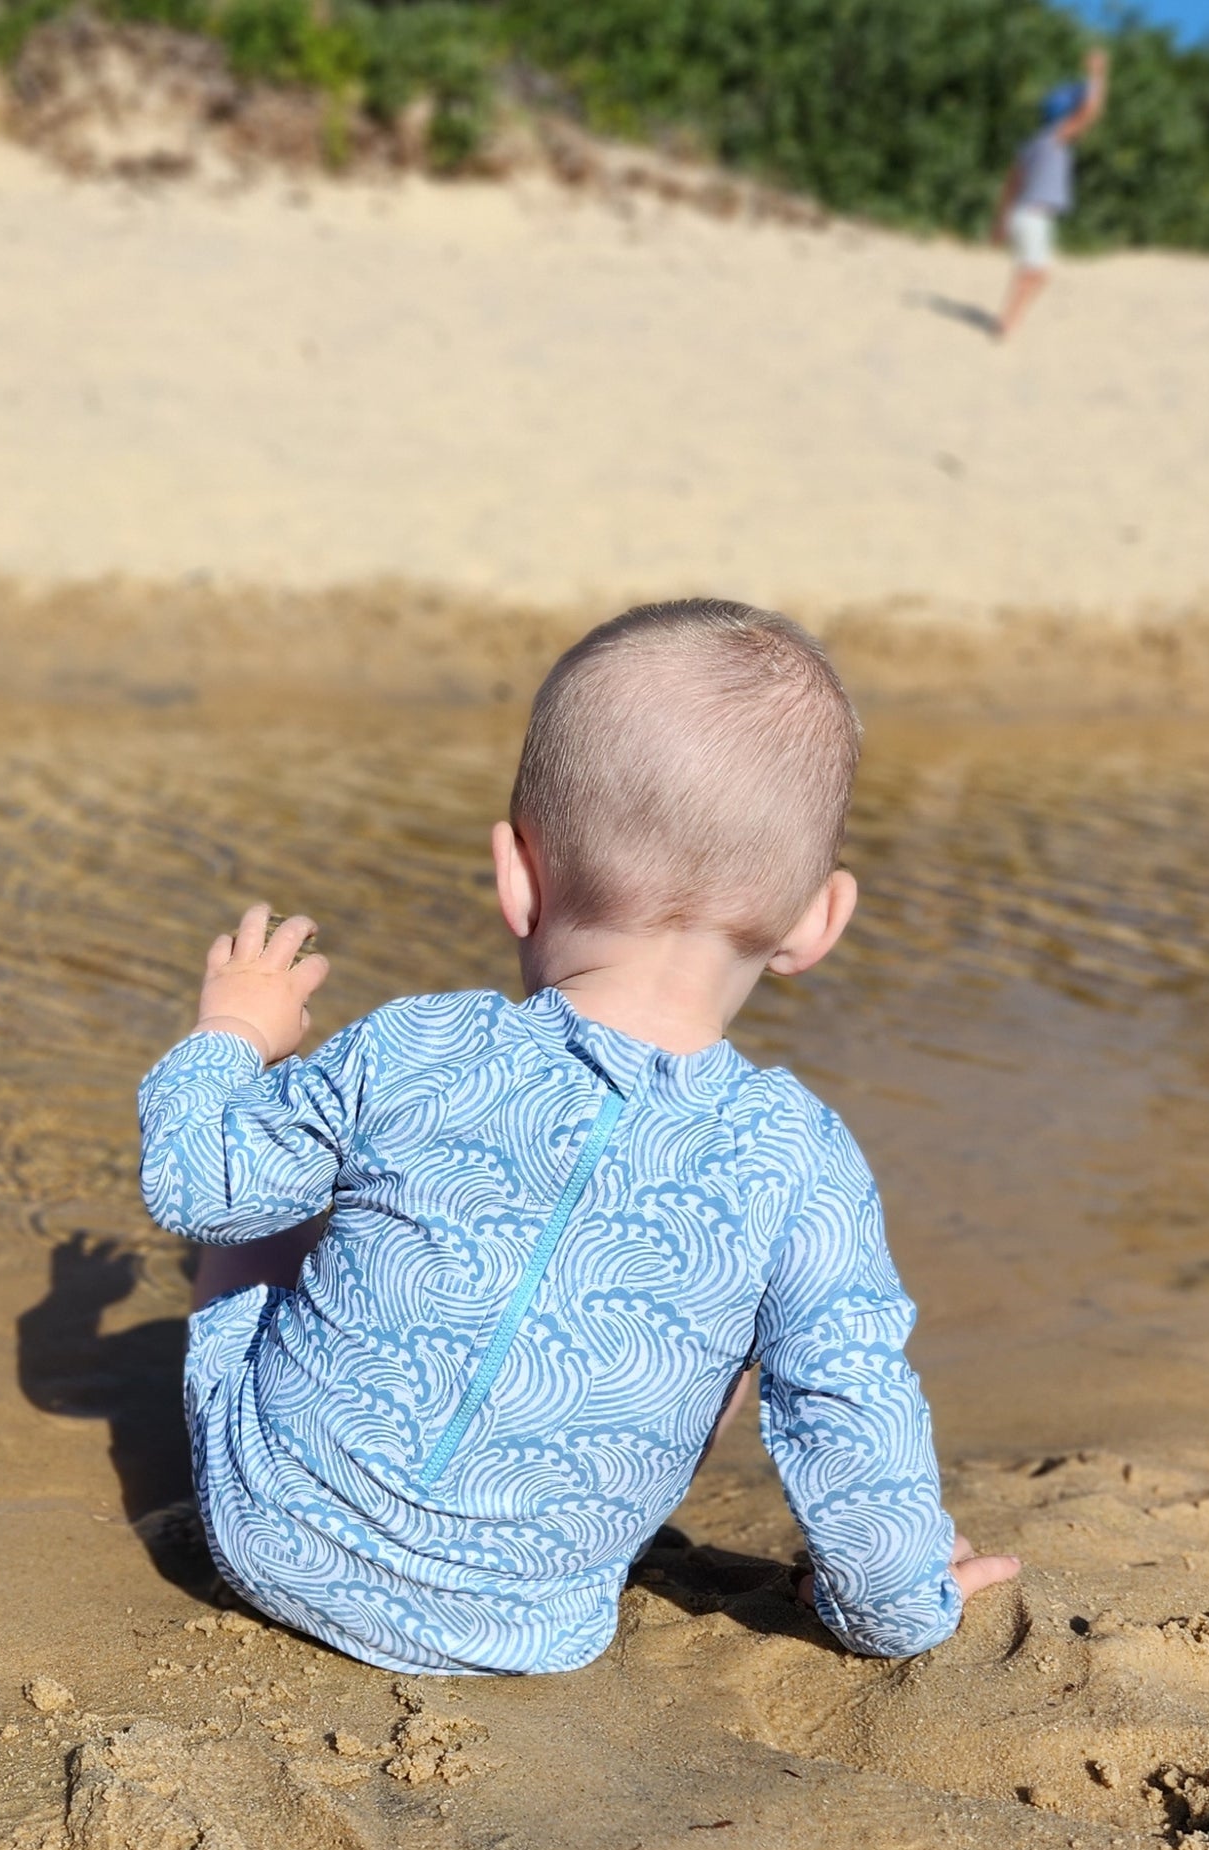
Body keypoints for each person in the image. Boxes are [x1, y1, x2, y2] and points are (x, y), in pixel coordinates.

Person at [138, 600, 1018, 1676]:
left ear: (517, 872)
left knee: (264, 1199)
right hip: (528, 1620)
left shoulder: (421, 1042)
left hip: (266, 1532)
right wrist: (896, 1608)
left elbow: (194, 1187)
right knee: (759, 1320)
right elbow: (853, 1410)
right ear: (816, 922)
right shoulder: (800, 1159)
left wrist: (231, 1035)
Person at [993, 49, 1109, 339]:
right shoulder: (1057, 136)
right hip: (1035, 215)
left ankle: (1009, 319)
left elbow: (1010, 186)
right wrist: (1097, 73)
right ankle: (1008, 323)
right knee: (1037, 273)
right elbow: (1091, 111)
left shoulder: (1032, 143)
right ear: (1064, 116)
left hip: (1023, 214)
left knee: (1033, 272)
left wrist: (1000, 223)